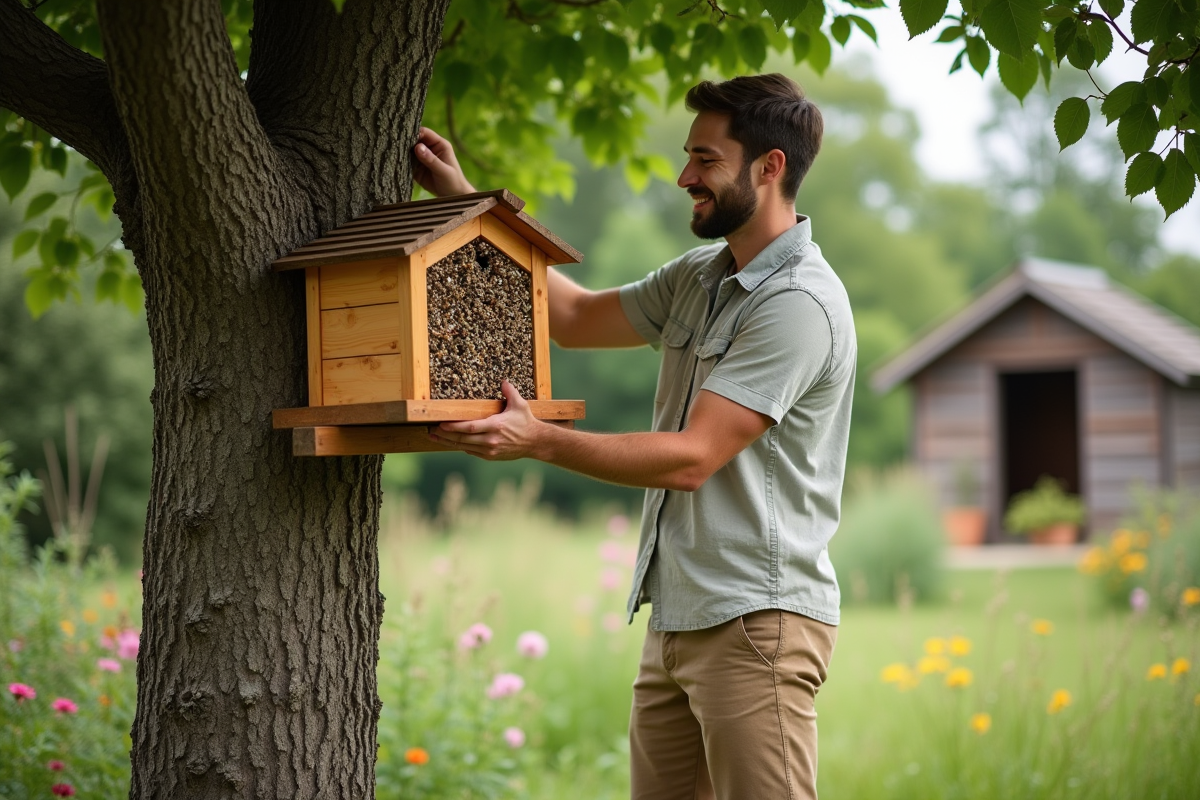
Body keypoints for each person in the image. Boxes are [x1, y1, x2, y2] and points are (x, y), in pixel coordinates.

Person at [412, 73, 855, 800]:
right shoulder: (702, 277)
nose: (686, 177)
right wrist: (465, 203)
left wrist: (541, 440)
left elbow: (691, 458)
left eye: (706, 160)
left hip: (756, 624)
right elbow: (578, 318)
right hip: (679, 618)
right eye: (689, 157)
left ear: (770, 167)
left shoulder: (799, 304)